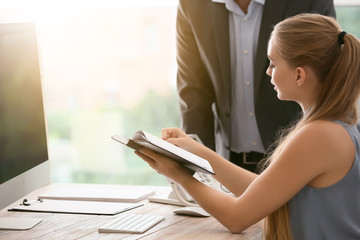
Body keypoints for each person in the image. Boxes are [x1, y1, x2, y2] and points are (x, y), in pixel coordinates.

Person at [136, 14, 360, 239]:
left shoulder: (319, 135)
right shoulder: (338, 126)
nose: (268, 72)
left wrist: (179, 174)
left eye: (273, 63)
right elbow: (265, 191)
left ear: (299, 75)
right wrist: (196, 151)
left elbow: (237, 218)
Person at [176, 0, 336, 172]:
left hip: (297, 160)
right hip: (229, 161)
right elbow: (193, 91)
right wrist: (195, 166)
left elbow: (323, 84)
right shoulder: (192, 4)